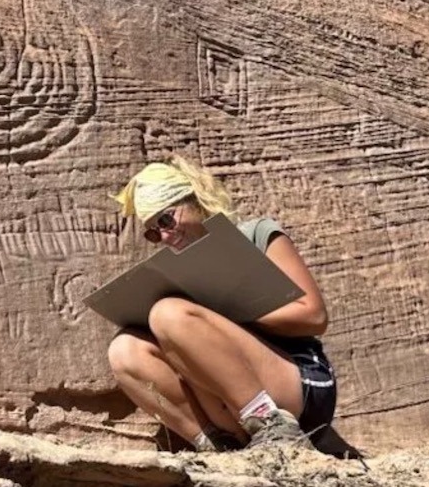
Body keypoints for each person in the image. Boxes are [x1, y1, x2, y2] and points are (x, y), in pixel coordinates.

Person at [107, 155, 336, 452]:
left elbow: (314, 316)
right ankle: (217, 445)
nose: (164, 235)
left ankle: (273, 426)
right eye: (153, 232)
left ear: (196, 202)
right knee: (124, 349)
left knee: (169, 314)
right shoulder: (177, 274)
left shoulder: (256, 234)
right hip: (229, 407)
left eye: (166, 219)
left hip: (300, 388)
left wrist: (226, 312)